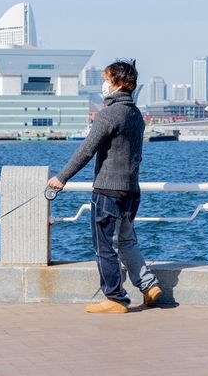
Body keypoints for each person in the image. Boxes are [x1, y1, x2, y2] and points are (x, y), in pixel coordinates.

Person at [48, 59, 162, 313]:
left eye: (107, 79)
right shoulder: (135, 114)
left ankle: (115, 298)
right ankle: (149, 285)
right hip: (131, 191)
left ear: (119, 83)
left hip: (108, 191)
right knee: (126, 240)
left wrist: (61, 178)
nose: (104, 85)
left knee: (105, 247)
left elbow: (86, 150)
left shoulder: (109, 114)